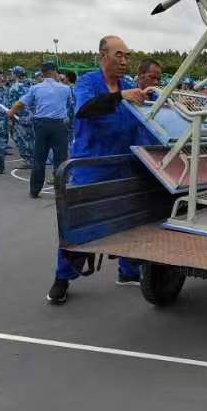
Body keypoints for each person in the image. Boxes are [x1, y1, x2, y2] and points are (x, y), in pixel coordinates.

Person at [46, 35, 154, 305]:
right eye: (119, 55)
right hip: (92, 166)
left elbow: (141, 124)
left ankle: (128, 271)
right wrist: (120, 97)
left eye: (127, 56)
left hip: (125, 164)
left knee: (131, 221)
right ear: (102, 56)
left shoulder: (128, 86)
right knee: (81, 225)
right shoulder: (88, 83)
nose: (124, 61)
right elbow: (85, 110)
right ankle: (62, 278)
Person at [7, 61, 72, 197]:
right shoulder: (65, 89)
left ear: (43, 73)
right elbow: (69, 104)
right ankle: (60, 190)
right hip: (59, 125)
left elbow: (20, 103)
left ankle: (35, 190)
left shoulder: (36, 88)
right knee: (60, 159)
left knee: (39, 158)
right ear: (54, 71)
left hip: (41, 124)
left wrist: (11, 112)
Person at [7, 66, 34, 169]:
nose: (11, 75)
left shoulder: (14, 87)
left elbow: (13, 104)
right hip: (32, 116)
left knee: (21, 139)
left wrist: (10, 118)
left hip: (19, 117)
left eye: (12, 73)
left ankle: (28, 160)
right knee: (31, 138)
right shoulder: (31, 85)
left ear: (15, 74)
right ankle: (33, 158)